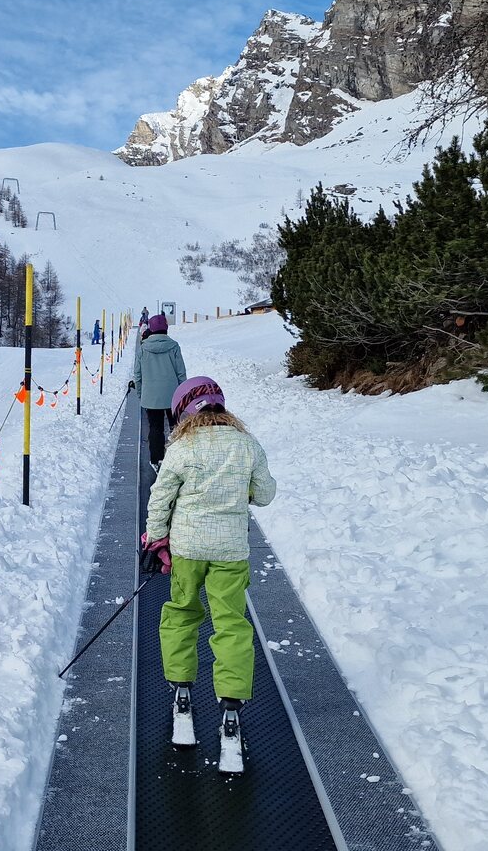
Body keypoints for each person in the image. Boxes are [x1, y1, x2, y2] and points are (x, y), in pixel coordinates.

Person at [139, 376, 276, 773]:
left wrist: (155, 540)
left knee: (182, 614)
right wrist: (240, 491)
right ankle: (231, 711)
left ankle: (182, 693)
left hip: (186, 549)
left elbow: (160, 497)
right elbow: (265, 494)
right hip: (230, 551)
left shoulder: (181, 448)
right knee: (231, 624)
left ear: (182, 410)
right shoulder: (247, 445)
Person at [127, 313, 185, 466]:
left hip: (150, 396)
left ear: (151, 330)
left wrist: (141, 394)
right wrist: (182, 395)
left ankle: (156, 460)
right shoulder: (174, 346)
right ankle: (177, 457)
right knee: (176, 427)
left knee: (155, 428)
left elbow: (137, 375)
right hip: (173, 395)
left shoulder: (143, 349)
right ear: (166, 329)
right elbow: (181, 373)